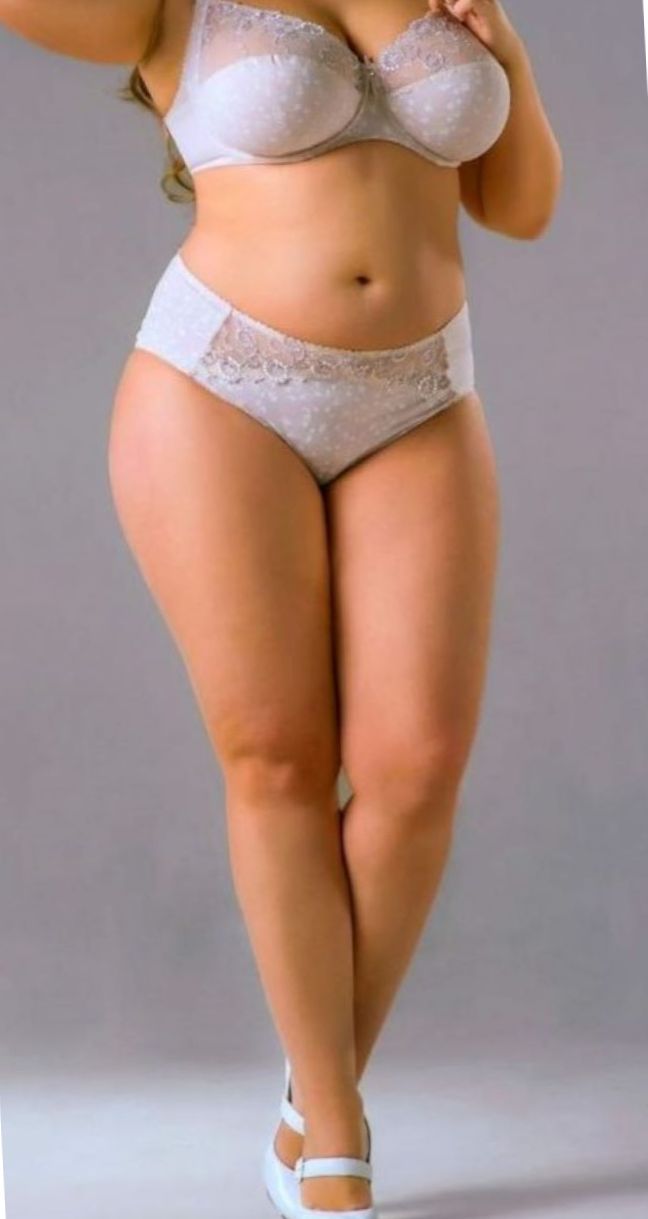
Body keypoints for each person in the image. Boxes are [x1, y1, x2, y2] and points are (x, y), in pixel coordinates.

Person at [2, 2, 562, 1216]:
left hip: (421, 394)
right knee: (277, 759)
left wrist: (506, 51)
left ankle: (314, 1095)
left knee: (416, 769)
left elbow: (520, 208)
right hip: (220, 386)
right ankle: (338, 1133)